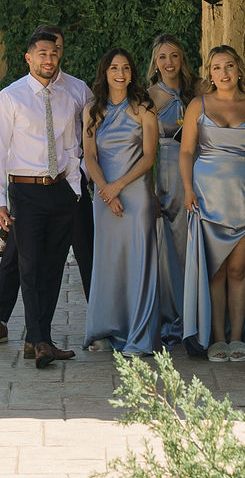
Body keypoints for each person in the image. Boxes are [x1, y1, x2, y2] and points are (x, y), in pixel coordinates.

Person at [0, 24, 93, 352]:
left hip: (63, 190)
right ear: (29, 58)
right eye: (42, 53)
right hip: (25, 192)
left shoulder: (76, 92)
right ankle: (40, 340)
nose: (49, 58)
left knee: (53, 267)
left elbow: (85, 138)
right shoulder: (11, 97)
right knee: (29, 266)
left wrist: (78, 179)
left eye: (54, 52)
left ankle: (36, 339)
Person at [179, 45, 245, 363]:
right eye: (217, 67)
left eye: (229, 66)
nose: (224, 72)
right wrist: (188, 189)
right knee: (215, 272)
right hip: (207, 199)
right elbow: (186, 152)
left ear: (239, 70)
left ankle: (238, 338)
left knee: (238, 269)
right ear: (210, 73)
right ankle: (217, 337)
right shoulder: (197, 105)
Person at [82, 49, 160, 355]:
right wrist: (105, 191)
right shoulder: (92, 110)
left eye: (126, 68)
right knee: (108, 262)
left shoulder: (144, 108)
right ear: (105, 71)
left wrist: (118, 187)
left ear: (133, 73)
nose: (120, 73)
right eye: (114, 67)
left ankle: (138, 336)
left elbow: (149, 156)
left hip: (136, 194)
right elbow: (89, 156)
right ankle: (105, 330)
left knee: (138, 262)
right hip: (104, 196)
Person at [146, 33, 197, 345]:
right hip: (167, 169)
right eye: (163, 57)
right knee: (172, 242)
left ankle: (199, 311)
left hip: (200, 169)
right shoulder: (148, 96)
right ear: (155, 62)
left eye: (174, 56)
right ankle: (175, 315)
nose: (169, 63)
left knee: (196, 238)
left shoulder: (200, 90)